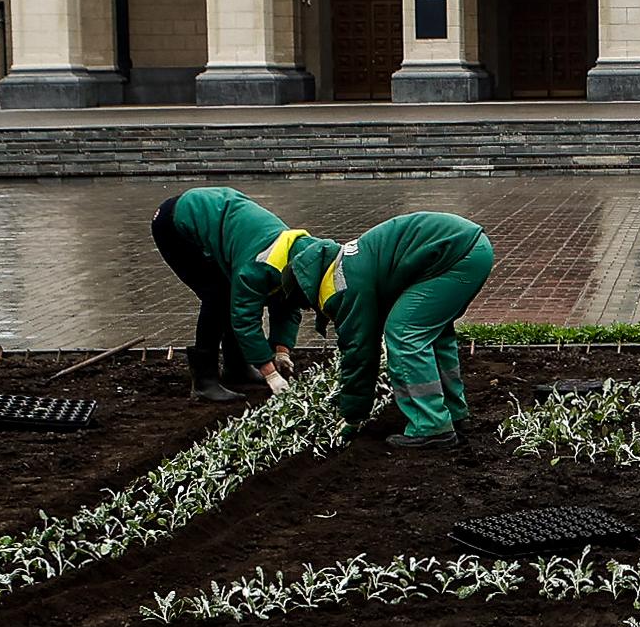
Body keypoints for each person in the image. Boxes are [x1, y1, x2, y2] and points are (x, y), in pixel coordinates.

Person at [268, 211, 497, 449]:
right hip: (468, 247)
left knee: (404, 333)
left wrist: (353, 416)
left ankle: (431, 426)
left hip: (457, 256)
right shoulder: (344, 263)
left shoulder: (340, 287)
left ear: (306, 293)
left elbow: (360, 353)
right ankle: (453, 412)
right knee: (435, 336)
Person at [150, 186, 303, 402]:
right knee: (218, 296)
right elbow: (244, 316)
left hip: (217, 218)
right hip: (175, 222)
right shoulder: (259, 267)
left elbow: (287, 305)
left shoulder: (292, 265)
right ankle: (204, 383)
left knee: (228, 292)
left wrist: (282, 350)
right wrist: (270, 373)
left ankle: (237, 367)